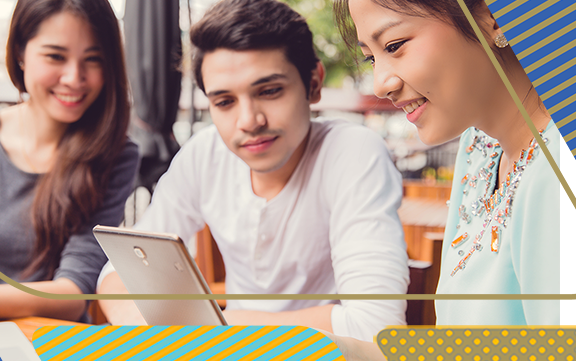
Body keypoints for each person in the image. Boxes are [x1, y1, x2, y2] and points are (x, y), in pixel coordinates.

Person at [97, 0, 410, 342]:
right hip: (231, 357)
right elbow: (118, 271)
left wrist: (209, 325)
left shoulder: (352, 153)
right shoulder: (204, 154)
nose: (249, 121)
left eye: (270, 91)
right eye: (224, 102)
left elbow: (376, 328)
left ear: (314, 84)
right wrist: (138, 319)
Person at [336, 0, 560, 324]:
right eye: (372, 58)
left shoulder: (568, 176)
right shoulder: (479, 146)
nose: (381, 85)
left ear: (490, 16)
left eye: (394, 45)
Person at [0, 0, 138, 323]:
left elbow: (74, 293)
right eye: (55, 56)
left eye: (93, 60)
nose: (75, 78)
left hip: (63, 348)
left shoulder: (115, 153)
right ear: (20, 52)